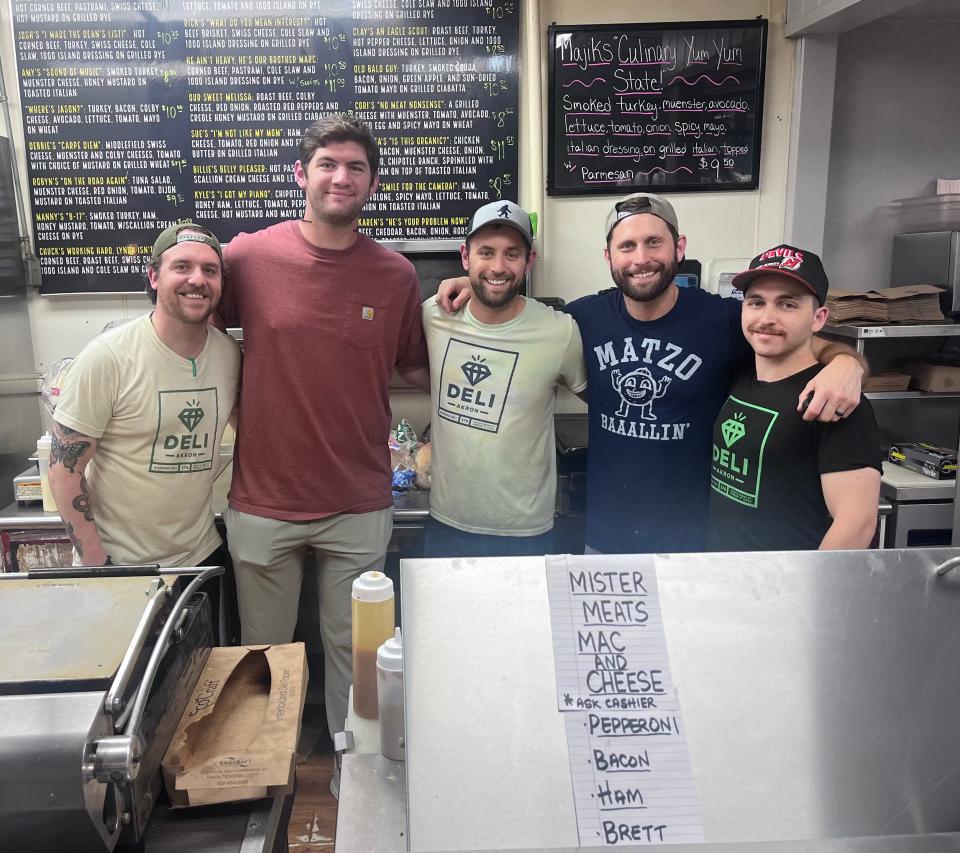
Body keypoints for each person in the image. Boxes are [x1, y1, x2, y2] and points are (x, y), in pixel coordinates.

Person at [438, 193, 866, 554]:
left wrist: (847, 363)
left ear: (679, 248)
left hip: (693, 543)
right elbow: (513, 313)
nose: (640, 259)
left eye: (653, 243)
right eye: (626, 246)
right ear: (609, 256)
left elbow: (794, 341)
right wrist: (479, 280)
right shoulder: (582, 319)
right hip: (603, 539)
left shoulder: (726, 320)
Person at [215, 114, 429, 742]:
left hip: (357, 503)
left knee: (358, 657)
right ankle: (263, 781)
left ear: (373, 182)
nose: (341, 177)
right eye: (328, 164)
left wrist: (474, 308)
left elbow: (418, 364)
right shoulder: (249, 256)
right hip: (264, 501)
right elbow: (193, 315)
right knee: (265, 660)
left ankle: (353, 772)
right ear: (300, 176)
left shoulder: (395, 275)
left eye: (355, 167)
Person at [48, 222, 240, 569]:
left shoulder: (229, 356)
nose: (197, 279)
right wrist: (96, 560)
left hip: (201, 556)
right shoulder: (108, 356)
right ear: (153, 276)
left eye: (209, 270)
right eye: (181, 267)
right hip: (122, 563)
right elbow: (64, 469)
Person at [421, 200, 587, 556]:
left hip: (526, 532)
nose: (498, 266)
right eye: (486, 252)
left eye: (512, 254)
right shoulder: (434, 314)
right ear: (465, 257)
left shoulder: (560, 331)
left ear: (530, 261)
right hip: (447, 523)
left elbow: (601, 404)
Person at [706, 245, 882, 550]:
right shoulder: (741, 378)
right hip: (723, 580)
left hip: (787, 589)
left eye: (787, 305)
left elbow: (857, 524)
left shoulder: (834, 400)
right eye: (756, 302)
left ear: (818, 318)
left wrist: (806, 594)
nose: (767, 318)